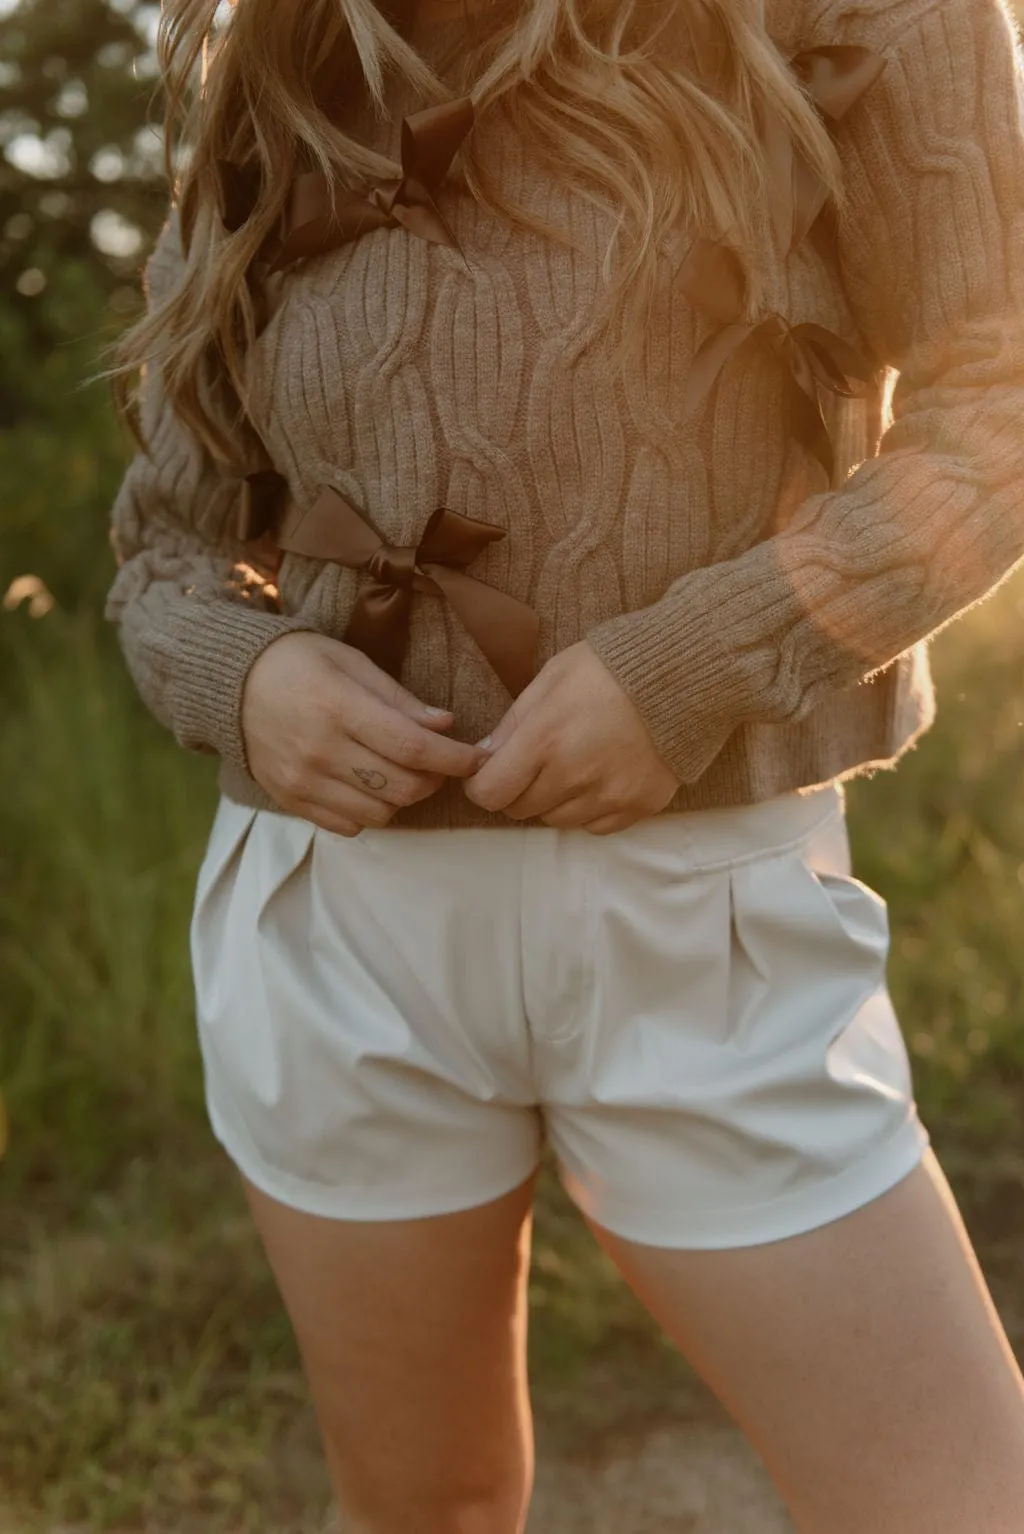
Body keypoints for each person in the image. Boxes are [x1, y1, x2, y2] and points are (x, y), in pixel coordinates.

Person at [105, 0, 1024, 1527]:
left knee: (952, 1503)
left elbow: (996, 419)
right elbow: (168, 544)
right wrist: (246, 674)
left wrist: (687, 669)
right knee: (427, 1509)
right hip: (333, 930)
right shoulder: (283, 50)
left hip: (703, 923)